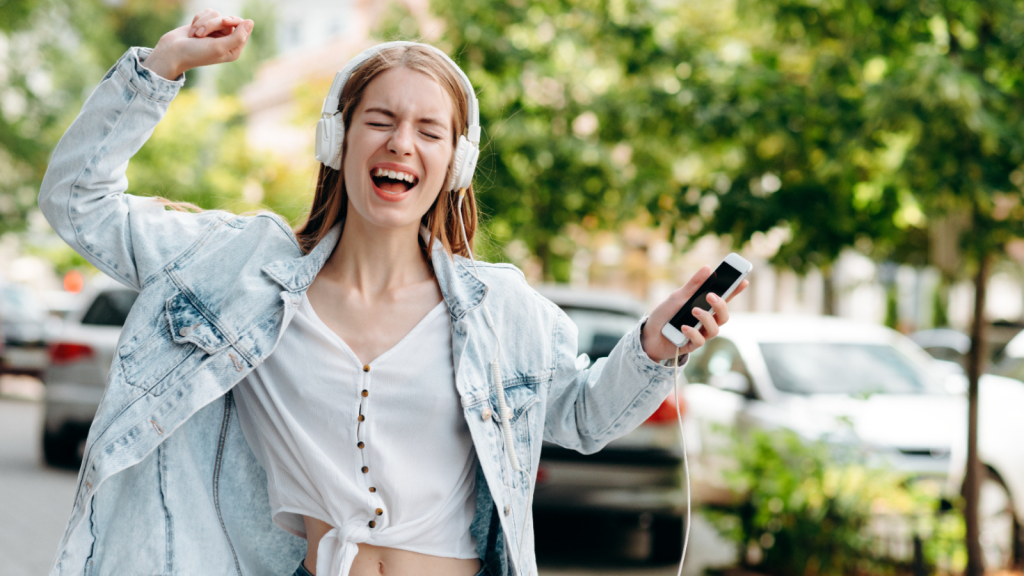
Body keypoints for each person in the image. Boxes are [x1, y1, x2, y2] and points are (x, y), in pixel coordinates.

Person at [38, 9, 746, 576]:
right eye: (379, 121)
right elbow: (79, 201)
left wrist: (654, 345)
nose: (401, 143)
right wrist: (161, 69)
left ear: (454, 162)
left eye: (428, 131)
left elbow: (583, 418)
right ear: (337, 140)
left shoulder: (500, 310)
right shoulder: (239, 270)